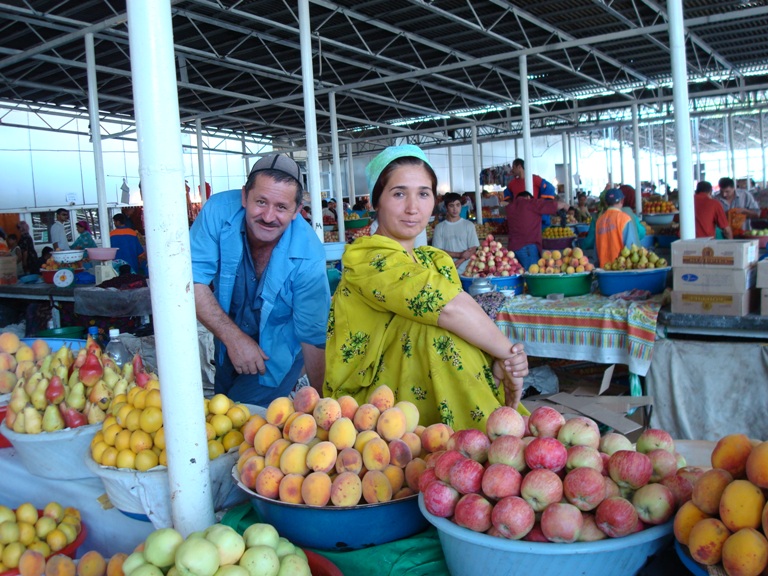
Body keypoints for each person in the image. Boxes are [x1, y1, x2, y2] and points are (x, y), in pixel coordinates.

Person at [325, 145, 529, 431]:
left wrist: (497, 357)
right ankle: (487, 437)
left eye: (423, 194)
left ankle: (494, 435)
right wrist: (509, 353)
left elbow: (461, 317)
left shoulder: (436, 261)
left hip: (417, 399)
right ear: (375, 202)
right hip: (369, 409)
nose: (413, 207)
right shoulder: (367, 258)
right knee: (432, 328)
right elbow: (448, 308)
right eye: (398, 194)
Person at [190, 153, 330, 405]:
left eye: (281, 207)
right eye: (261, 202)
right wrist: (233, 339)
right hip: (226, 340)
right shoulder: (217, 212)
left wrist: (325, 406)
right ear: (244, 196)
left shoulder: (309, 254)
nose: (267, 216)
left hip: (276, 356)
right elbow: (190, 280)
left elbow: (313, 337)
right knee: (221, 412)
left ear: (297, 211)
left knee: (239, 420)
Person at [505, 191, 566, 271]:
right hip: (528, 248)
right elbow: (552, 205)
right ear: (528, 197)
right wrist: (565, 205)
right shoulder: (530, 203)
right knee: (532, 275)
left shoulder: (510, 207)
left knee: (519, 276)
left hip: (513, 248)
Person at [432, 192, 480, 274]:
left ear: (461, 206)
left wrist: (460, 261)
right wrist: (459, 255)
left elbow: (474, 248)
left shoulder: (469, 225)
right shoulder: (439, 227)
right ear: (446, 207)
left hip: (467, 270)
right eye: (451, 205)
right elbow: (437, 251)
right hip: (446, 271)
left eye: (458, 205)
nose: (455, 209)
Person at [595, 188, 641, 267]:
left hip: (604, 270)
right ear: (622, 201)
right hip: (620, 269)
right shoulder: (624, 219)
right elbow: (631, 247)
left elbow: (596, 252)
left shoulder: (599, 221)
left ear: (606, 203)